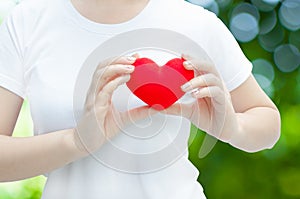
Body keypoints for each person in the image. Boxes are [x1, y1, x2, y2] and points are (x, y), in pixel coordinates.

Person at [0, 0, 281, 198]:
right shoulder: (28, 20)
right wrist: (76, 141)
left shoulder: (196, 23)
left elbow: (267, 123)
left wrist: (231, 127)